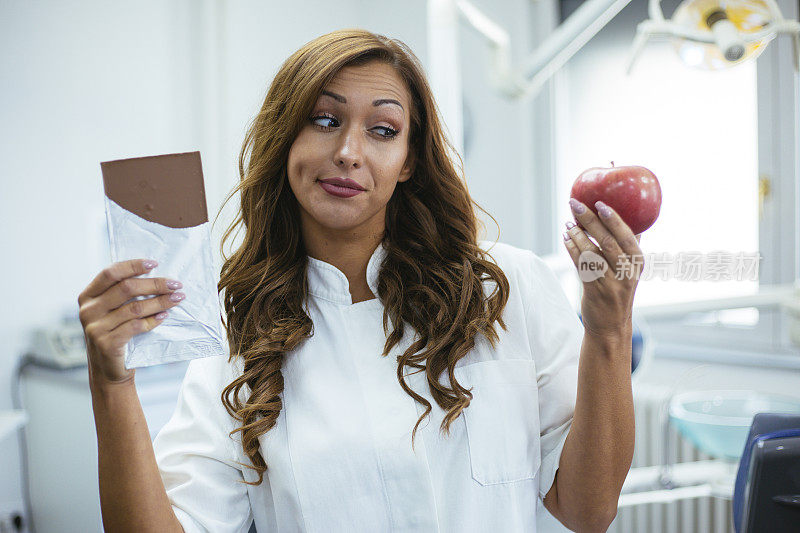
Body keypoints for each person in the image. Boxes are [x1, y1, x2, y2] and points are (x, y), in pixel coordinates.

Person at [78, 28, 642, 533]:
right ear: (285, 141)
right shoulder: (238, 336)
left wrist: (610, 331)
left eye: (382, 129)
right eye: (324, 121)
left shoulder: (507, 286)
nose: (348, 153)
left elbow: (587, 512)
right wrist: (111, 383)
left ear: (408, 160)